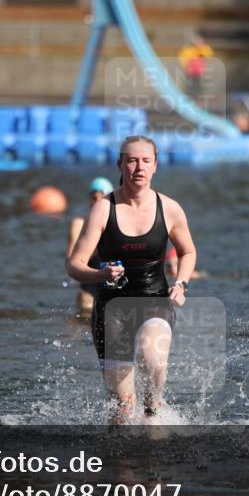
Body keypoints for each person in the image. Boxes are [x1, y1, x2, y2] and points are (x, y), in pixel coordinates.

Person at [67, 135, 196, 424]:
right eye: (132, 160)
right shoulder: (103, 208)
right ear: (120, 165)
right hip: (112, 309)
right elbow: (74, 265)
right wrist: (99, 274)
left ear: (155, 166)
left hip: (155, 302)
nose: (139, 167)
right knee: (122, 409)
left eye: (146, 161)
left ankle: (153, 411)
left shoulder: (169, 208)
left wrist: (182, 283)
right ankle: (119, 467)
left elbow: (188, 251)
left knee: (153, 357)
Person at [66, 177, 114, 314]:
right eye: (94, 198)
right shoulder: (79, 224)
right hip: (89, 290)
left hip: (113, 287)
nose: (97, 202)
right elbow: (70, 263)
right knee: (85, 301)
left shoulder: (118, 223)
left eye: (102, 198)